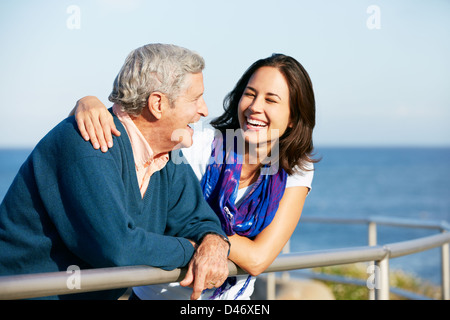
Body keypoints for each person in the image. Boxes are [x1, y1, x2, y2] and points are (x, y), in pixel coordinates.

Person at [73, 53, 317, 300]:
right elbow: (135, 133)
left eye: (271, 100)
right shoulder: (197, 146)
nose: (255, 107)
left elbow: (258, 259)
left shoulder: (297, 170)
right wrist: (88, 103)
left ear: (293, 118)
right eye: (250, 94)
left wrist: (207, 237)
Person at [0, 43, 231, 300]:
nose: (205, 110)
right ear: (158, 104)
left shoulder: (168, 158)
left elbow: (199, 220)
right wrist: (190, 250)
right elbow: (118, 248)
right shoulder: (88, 143)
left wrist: (212, 243)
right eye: (196, 98)